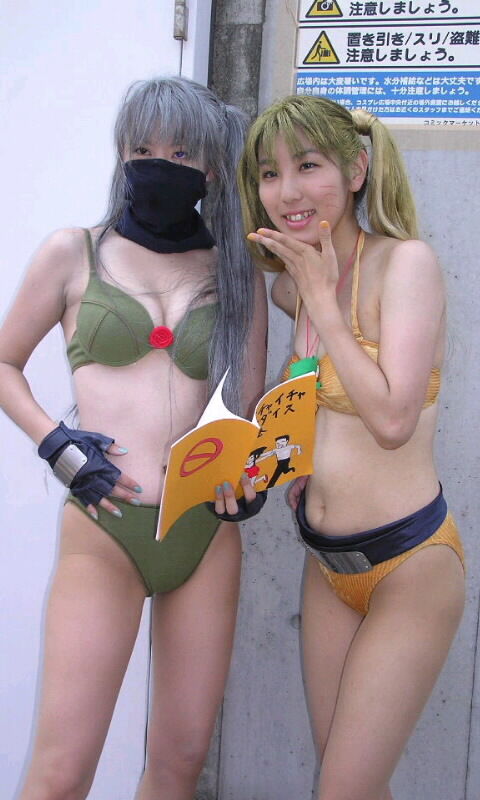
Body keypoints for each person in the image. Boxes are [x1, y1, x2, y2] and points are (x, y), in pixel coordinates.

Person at [0, 76, 267, 800]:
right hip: (105, 526)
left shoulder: (235, 272)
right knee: (60, 774)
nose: (158, 164)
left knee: (179, 765)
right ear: (121, 153)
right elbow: (5, 363)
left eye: (181, 152)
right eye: (142, 148)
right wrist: (59, 447)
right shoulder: (73, 252)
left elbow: (245, 408)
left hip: (203, 532)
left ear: (211, 164)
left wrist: (251, 478)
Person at [238, 95, 465, 800]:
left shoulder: (407, 265)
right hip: (328, 566)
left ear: (357, 170)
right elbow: (303, 402)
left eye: (308, 166)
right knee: (354, 784)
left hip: (409, 567)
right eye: (270, 174)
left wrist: (321, 301)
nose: (288, 191)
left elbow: (393, 420)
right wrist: (267, 466)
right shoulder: (292, 286)